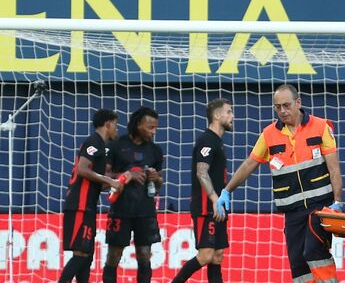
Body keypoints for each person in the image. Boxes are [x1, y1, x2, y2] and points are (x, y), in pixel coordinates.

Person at [217, 84, 345, 283]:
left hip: (320, 208)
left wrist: (337, 202)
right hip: (292, 212)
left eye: (286, 105)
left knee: (313, 250)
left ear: (298, 103)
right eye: (278, 107)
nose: (282, 111)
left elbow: (334, 168)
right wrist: (227, 190)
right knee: (298, 265)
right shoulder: (269, 134)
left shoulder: (320, 127)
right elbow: (250, 163)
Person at [171, 99, 234, 283]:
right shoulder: (207, 140)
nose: (232, 116)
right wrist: (215, 199)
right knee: (206, 255)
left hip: (217, 207)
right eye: (229, 112)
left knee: (217, 256)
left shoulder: (218, 142)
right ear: (217, 115)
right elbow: (201, 172)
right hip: (206, 207)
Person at [59, 109, 124, 283]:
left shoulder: (101, 146)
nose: (117, 129)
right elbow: (82, 169)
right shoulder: (93, 141)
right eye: (115, 125)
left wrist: (119, 179)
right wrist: (110, 181)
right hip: (79, 205)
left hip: (87, 205)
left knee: (87, 256)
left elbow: (98, 182)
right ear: (108, 124)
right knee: (81, 255)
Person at [103, 107, 164, 283]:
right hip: (121, 209)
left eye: (155, 127)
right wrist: (127, 175)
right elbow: (104, 177)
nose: (154, 132)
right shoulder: (117, 145)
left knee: (145, 256)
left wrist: (156, 177)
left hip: (145, 211)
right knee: (114, 256)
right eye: (150, 127)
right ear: (138, 125)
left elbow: (160, 181)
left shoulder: (155, 150)